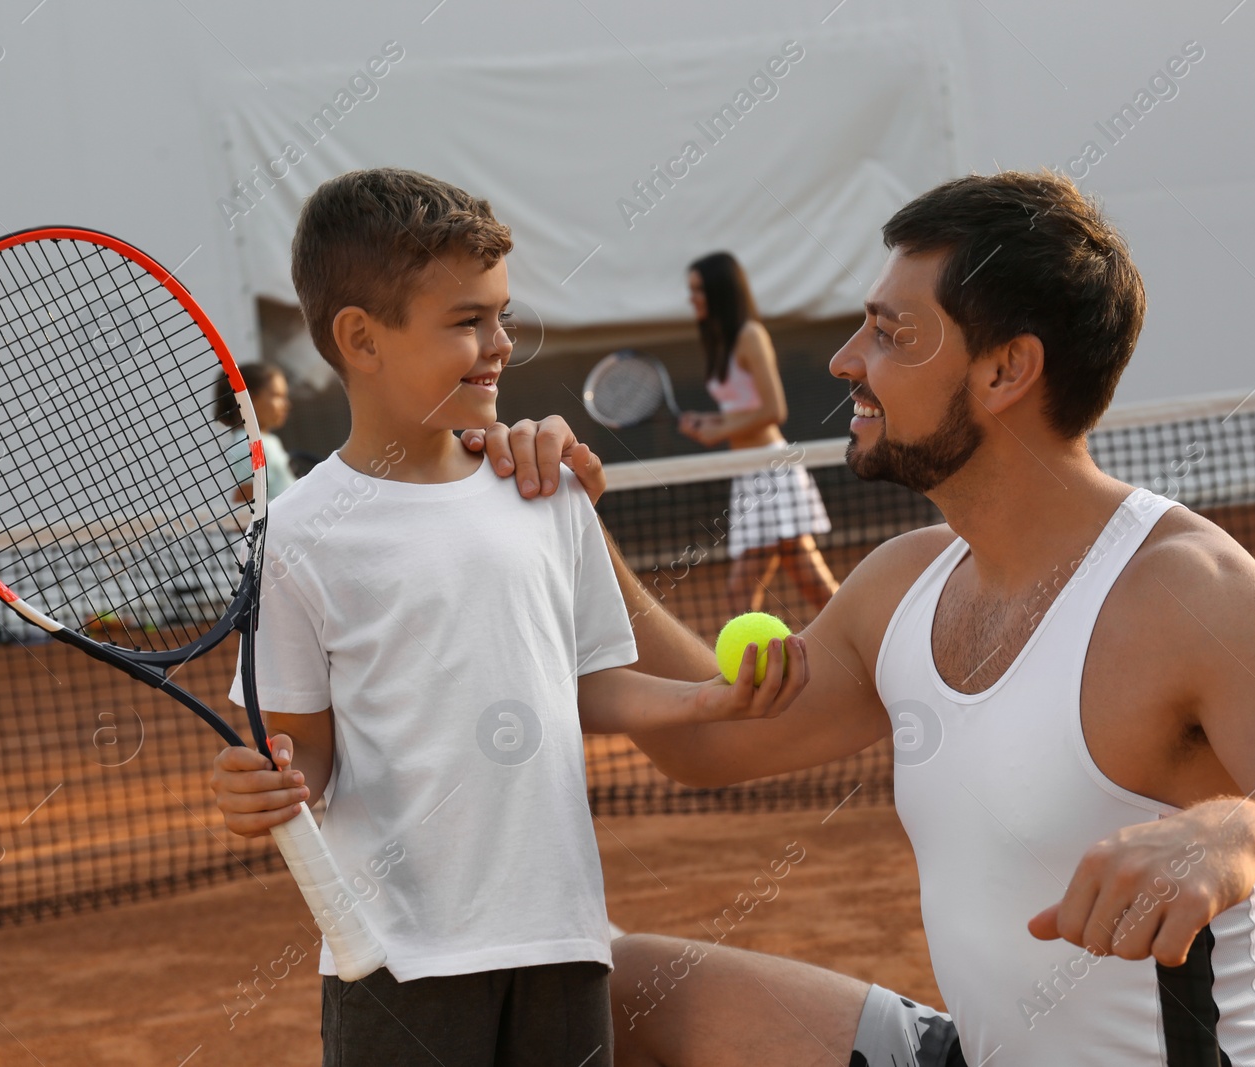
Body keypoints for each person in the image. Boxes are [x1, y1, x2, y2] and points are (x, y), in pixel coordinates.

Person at [554, 172, 1255, 1064]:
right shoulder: (902, 584)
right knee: (634, 988)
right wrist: (568, 521)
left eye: (888, 333)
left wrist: (1252, 832)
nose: (845, 363)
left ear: (1006, 370)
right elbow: (708, 736)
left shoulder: (1192, 599)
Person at [206, 168, 808, 1067]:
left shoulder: (544, 487)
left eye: (503, 316)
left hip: (563, 936)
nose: (499, 346)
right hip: (397, 962)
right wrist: (264, 781)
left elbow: (591, 679)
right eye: (466, 322)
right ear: (360, 339)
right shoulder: (294, 535)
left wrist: (702, 704)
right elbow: (304, 747)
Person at [676, 251, 838, 613]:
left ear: (721, 290)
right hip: (748, 473)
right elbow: (740, 411)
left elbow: (773, 410)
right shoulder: (721, 341)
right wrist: (708, 422)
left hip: (773, 471)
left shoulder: (751, 334)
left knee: (753, 593)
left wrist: (718, 431)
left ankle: (865, 646)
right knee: (808, 585)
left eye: (699, 290)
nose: (693, 299)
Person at [215, 362, 297, 503]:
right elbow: (245, 507)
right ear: (249, 399)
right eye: (277, 395)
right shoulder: (250, 445)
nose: (287, 405)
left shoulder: (267, 441)